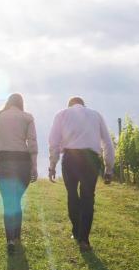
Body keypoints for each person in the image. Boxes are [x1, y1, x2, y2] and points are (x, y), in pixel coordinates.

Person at [48, 96, 114, 252]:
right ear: (83, 105)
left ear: (70, 105)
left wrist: (52, 165)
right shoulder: (96, 115)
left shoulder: (61, 114)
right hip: (91, 159)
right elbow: (107, 143)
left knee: (72, 195)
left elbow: (53, 142)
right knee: (88, 197)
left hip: (70, 158)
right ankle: (84, 239)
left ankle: (77, 231)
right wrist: (108, 168)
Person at [0, 93, 38, 253]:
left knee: (9, 201)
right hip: (23, 161)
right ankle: (16, 237)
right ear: (21, 103)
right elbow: (32, 142)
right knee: (17, 199)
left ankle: (10, 238)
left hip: (4, 160)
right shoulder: (27, 117)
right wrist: (34, 166)